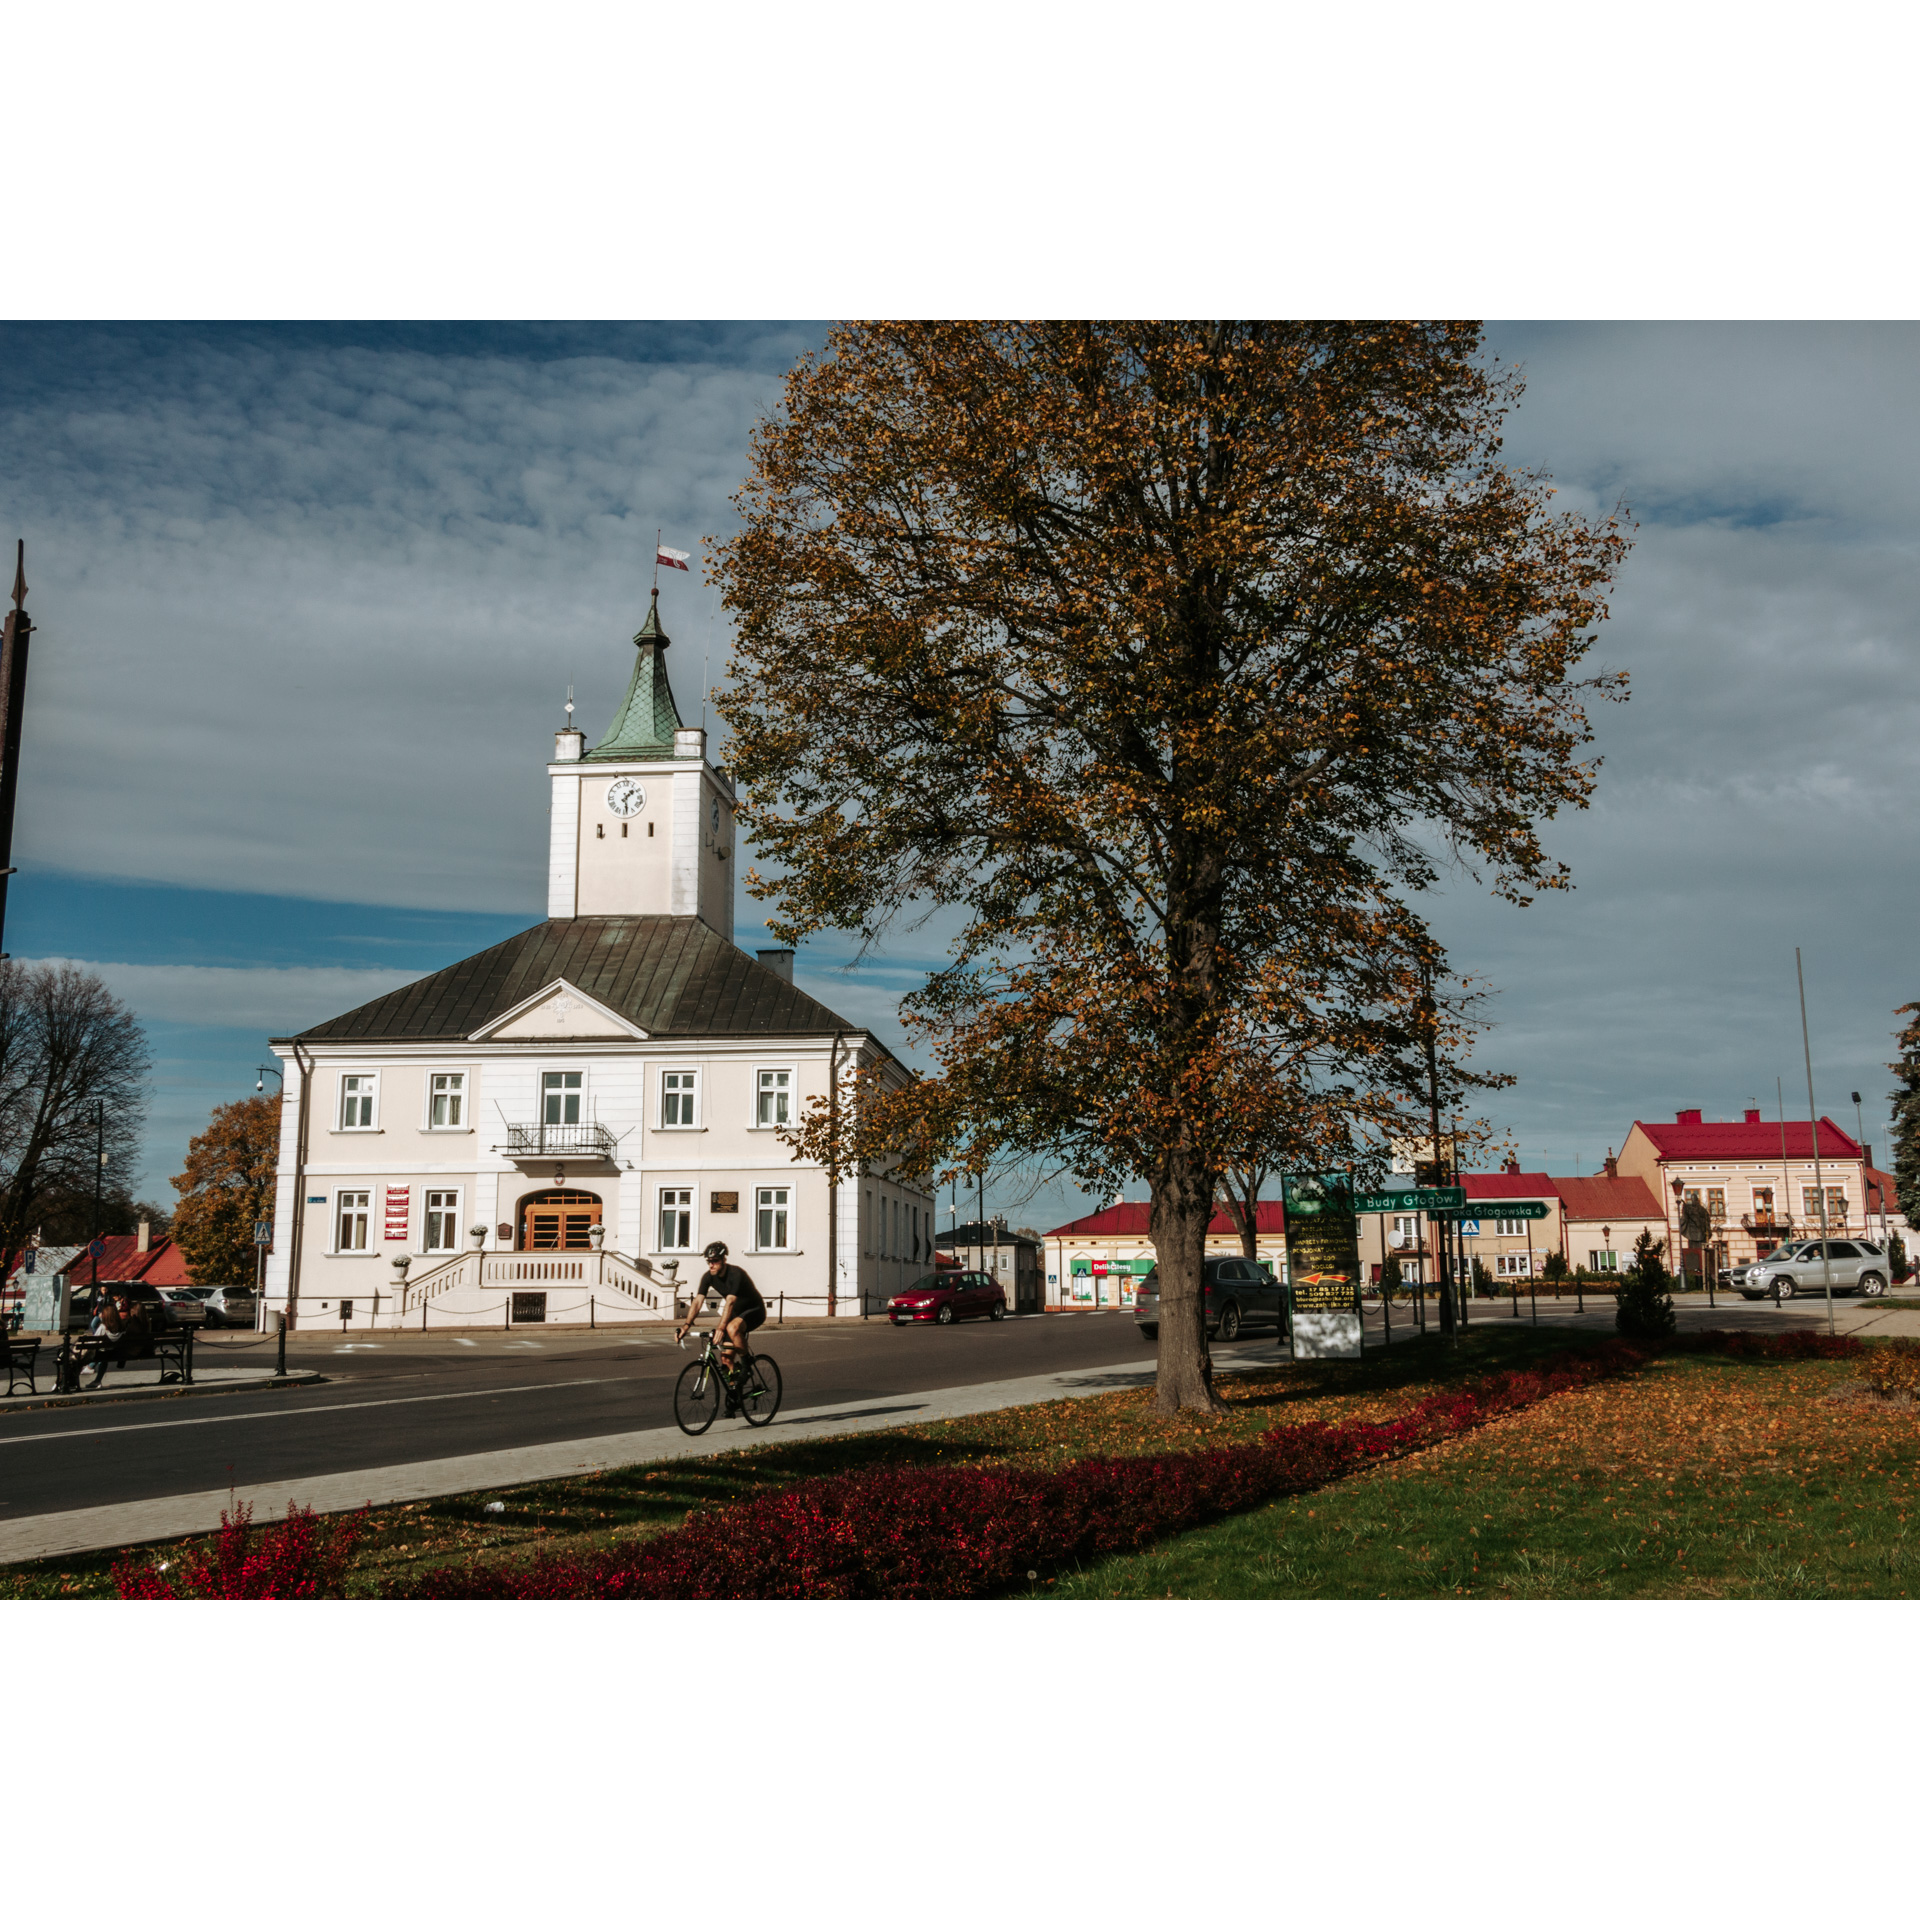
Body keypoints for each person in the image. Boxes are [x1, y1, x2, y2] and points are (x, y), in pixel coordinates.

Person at [675, 1241, 766, 1382]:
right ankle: (735, 1391)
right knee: (726, 1359)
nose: (711, 1265)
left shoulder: (736, 1274)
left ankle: (746, 1366)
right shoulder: (708, 1276)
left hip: (754, 1310)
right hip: (736, 1314)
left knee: (732, 1328)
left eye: (715, 1261)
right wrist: (686, 1325)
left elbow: (730, 1302)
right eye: (709, 1261)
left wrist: (720, 1328)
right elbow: (698, 1301)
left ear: (724, 1260)